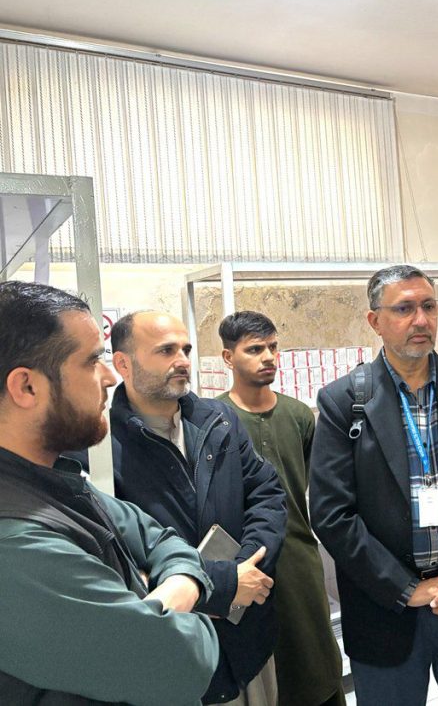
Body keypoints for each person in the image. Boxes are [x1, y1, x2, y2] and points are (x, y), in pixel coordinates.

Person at [0, 281, 219, 705]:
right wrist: (178, 612)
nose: (110, 377)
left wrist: (174, 584)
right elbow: (182, 662)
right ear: (27, 387)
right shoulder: (16, 541)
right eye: (92, 361)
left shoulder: (52, 482)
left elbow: (157, 537)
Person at [310, 264, 438, 706]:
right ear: (375, 321)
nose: (420, 320)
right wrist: (404, 588)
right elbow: (331, 515)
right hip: (385, 613)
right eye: (404, 309)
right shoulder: (344, 402)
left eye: (428, 307)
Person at [110, 311, 288, 705]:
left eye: (186, 349)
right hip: (176, 647)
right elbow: (118, 556)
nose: (183, 361)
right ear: (123, 363)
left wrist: (247, 568)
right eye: (166, 350)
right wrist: (220, 585)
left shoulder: (218, 420)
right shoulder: (103, 449)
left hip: (247, 630)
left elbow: (266, 493)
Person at [217, 311, 346, 706]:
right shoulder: (213, 419)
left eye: (273, 347)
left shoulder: (299, 415)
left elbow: (311, 486)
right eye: (255, 349)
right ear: (228, 357)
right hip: (242, 563)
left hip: (298, 556)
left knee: (314, 663)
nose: (269, 357)